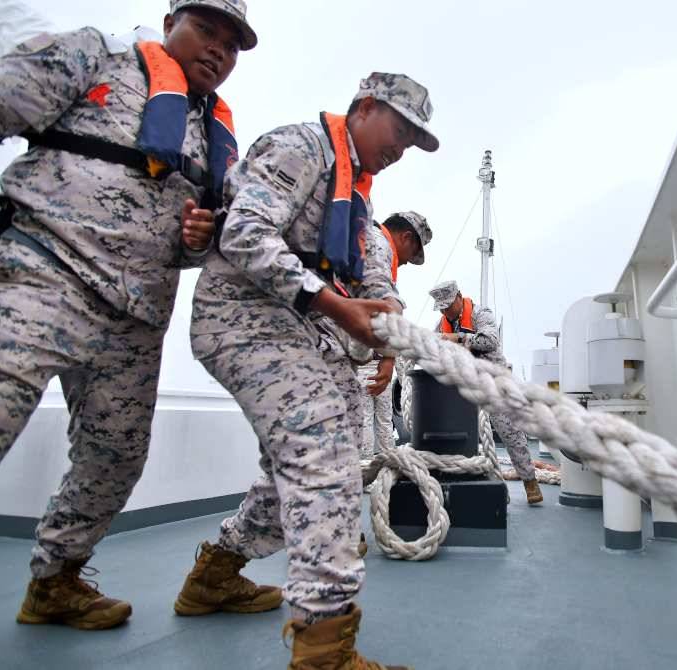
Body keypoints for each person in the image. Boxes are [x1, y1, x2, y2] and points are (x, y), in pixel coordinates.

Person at [0, 0, 256, 630]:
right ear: (169, 26)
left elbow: (203, 242)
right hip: (41, 274)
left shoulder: (217, 142)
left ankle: (55, 581)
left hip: (133, 320)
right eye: (205, 29)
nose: (217, 49)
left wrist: (199, 238)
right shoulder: (96, 55)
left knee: (116, 458)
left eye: (232, 43)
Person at [171, 72, 438, 669]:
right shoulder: (300, 148)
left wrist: (386, 311)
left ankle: (217, 572)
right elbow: (243, 233)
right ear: (365, 107)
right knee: (324, 449)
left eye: (414, 140)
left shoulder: (360, 199)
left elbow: (371, 275)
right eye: (400, 130)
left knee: (310, 454)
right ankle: (323, 650)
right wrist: (334, 305)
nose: (402, 148)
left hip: (304, 332)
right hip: (242, 318)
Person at [429, 280, 544, 505]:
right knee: (465, 438)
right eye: (441, 307)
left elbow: (490, 341)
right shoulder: (441, 325)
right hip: (465, 385)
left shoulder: (481, 314)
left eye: (447, 305)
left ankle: (530, 482)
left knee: (510, 433)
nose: (444, 310)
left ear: (459, 297)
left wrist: (459, 338)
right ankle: (481, 487)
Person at [357, 211, 432, 459]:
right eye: (411, 256)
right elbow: (383, 305)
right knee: (368, 419)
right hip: (368, 361)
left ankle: (384, 465)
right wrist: (389, 357)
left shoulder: (371, 241)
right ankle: (369, 467)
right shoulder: (380, 245)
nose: (406, 262)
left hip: (367, 358)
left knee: (379, 418)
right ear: (406, 237)